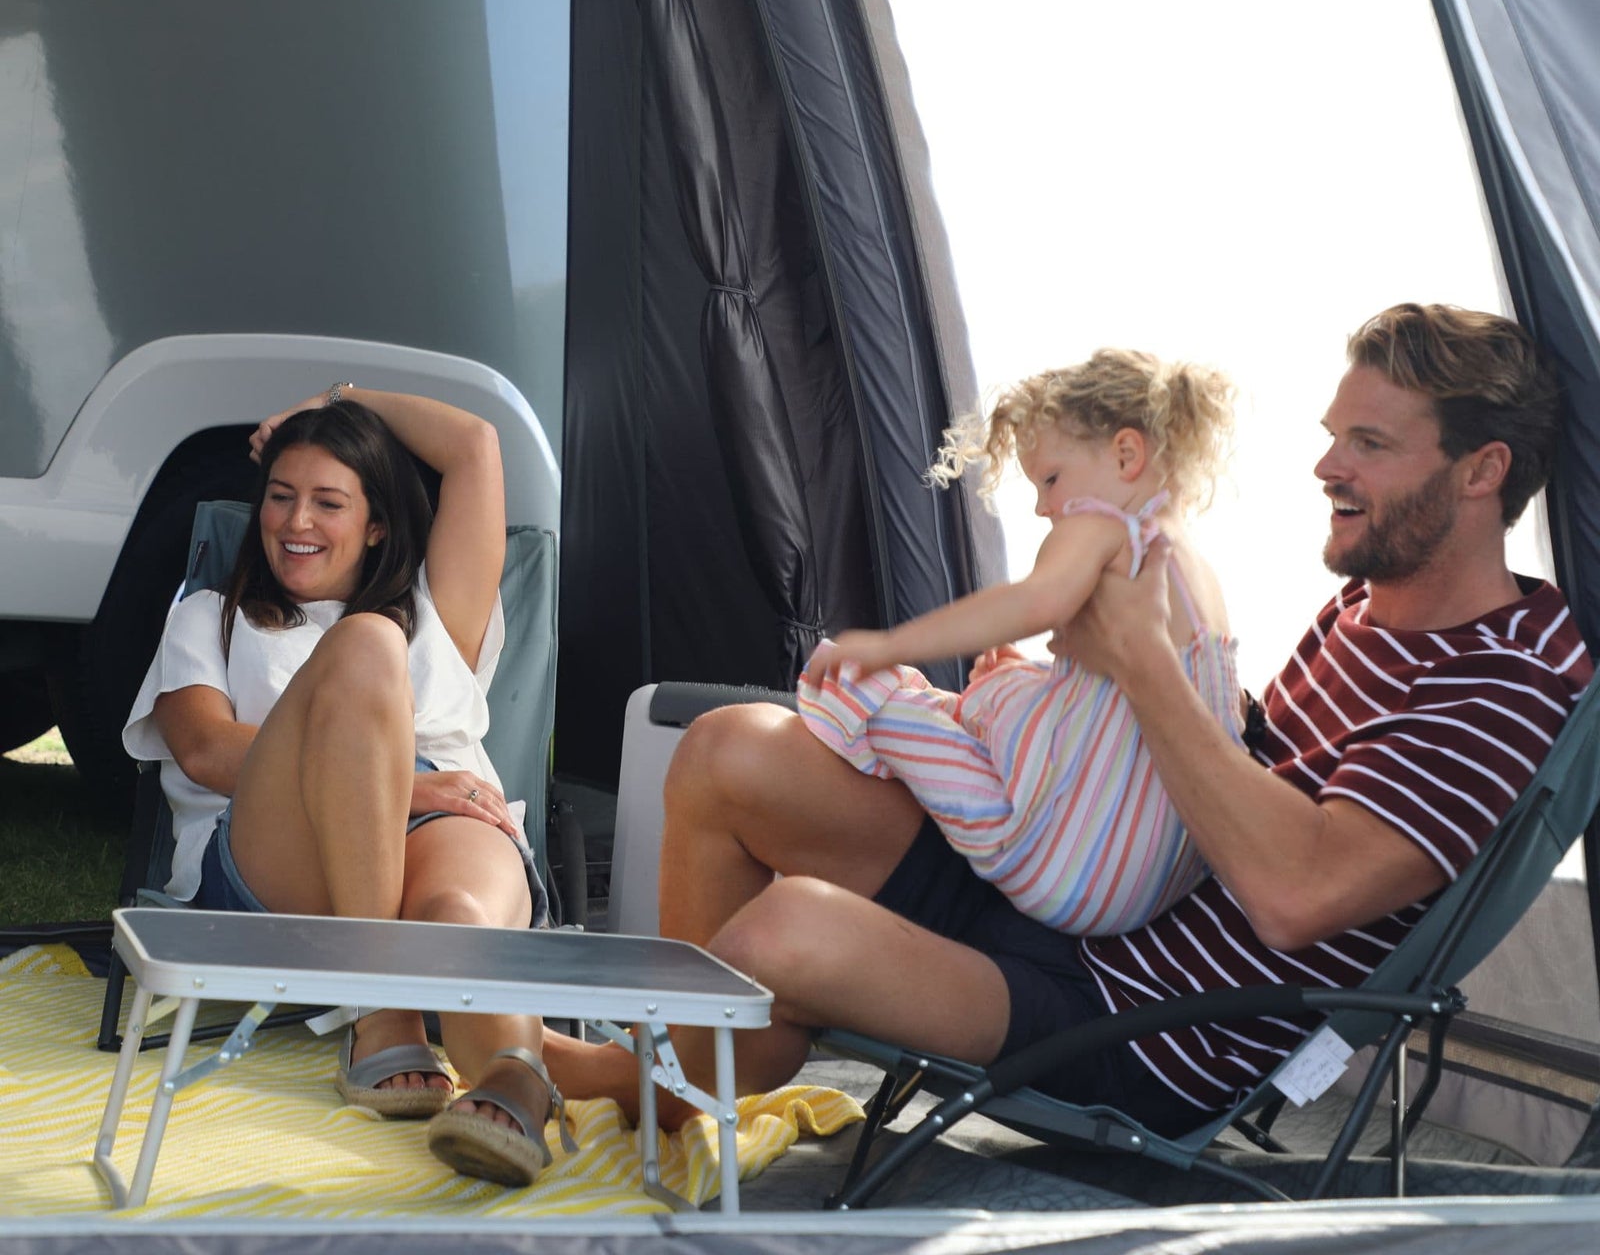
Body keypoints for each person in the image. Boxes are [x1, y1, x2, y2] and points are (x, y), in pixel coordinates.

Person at [544, 303, 1591, 1135]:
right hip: (1078, 904)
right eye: (1332, 438)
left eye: (1370, 443)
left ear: (1479, 471)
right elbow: (1240, 758)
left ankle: (655, 1074)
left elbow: (1294, 892)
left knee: (786, 927)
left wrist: (1141, 664)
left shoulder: (1497, 684)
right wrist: (1041, 715)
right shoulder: (1367, 607)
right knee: (731, 750)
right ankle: (687, 1070)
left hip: (1137, 1024)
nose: (1328, 468)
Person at [124, 386, 565, 1188]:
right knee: (367, 646)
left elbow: (474, 445)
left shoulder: (438, 611)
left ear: (377, 525)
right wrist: (399, 788)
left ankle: (517, 1082)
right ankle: (384, 1008)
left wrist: (337, 399)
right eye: (281, 497)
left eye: (328, 502)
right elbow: (207, 751)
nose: (295, 523)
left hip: (450, 819)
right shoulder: (213, 617)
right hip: (278, 842)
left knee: (457, 919)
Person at [801, 350, 1241, 936]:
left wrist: (885, 647)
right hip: (1155, 875)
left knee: (887, 698)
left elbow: (1033, 603)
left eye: (1051, 479)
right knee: (1015, 678)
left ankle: (893, 711)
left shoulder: (1105, 526)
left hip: (1063, 864)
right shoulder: (1196, 571)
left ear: (1127, 455)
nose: (1043, 507)